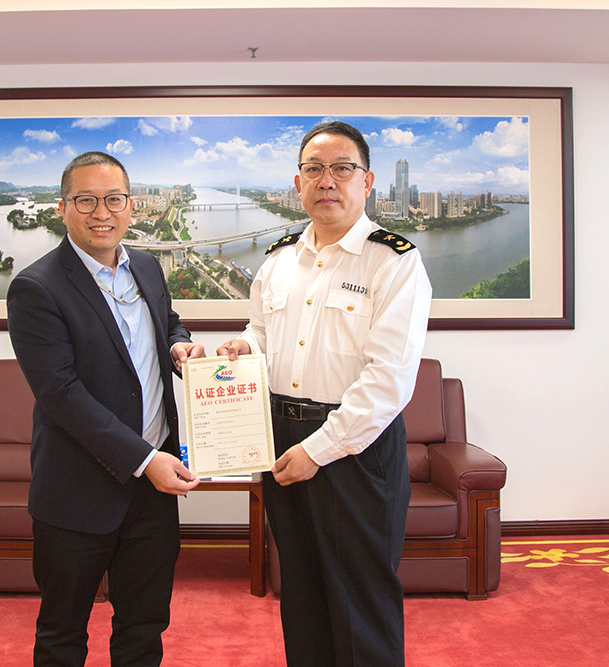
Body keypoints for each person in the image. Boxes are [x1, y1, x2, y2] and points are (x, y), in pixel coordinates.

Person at [217, 121, 432, 666]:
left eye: (342, 169)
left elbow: (389, 378)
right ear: (298, 184)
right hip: (280, 438)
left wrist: (319, 449)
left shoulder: (394, 261)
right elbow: (261, 333)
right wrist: (243, 349)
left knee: (361, 601)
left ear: (367, 181)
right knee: (302, 593)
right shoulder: (278, 259)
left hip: (353, 448)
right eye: (314, 170)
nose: (327, 181)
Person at [7, 151, 204, 666]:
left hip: (152, 495)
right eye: (86, 200)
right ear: (62, 207)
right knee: (62, 633)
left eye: (114, 199)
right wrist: (145, 459)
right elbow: (61, 395)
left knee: (144, 627)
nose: (102, 213)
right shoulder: (36, 287)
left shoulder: (146, 266)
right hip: (78, 491)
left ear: (131, 205)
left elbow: (168, 322)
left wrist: (179, 345)